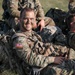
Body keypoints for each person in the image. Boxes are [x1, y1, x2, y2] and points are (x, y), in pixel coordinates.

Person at [12, 7, 75, 75]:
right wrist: (53, 59)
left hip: (47, 62)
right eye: (25, 18)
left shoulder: (34, 34)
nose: (29, 22)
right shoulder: (19, 40)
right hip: (37, 68)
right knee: (66, 71)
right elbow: (29, 58)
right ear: (19, 20)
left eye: (31, 19)